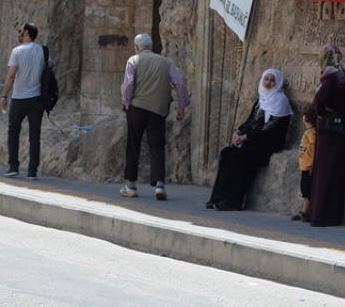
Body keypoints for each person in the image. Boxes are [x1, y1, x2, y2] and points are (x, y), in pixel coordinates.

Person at [206, 68, 293, 211]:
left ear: (278, 83)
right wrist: (239, 131)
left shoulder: (281, 101)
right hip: (255, 141)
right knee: (226, 153)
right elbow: (251, 120)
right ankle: (218, 197)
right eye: (266, 79)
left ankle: (234, 201)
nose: (268, 82)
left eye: (272, 80)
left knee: (238, 157)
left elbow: (268, 127)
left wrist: (246, 137)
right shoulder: (261, 100)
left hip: (269, 143)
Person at [120, 33, 189, 200]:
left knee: (133, 145)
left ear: (137, 48)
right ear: (151, 47)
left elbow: (128, 84)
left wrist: (126, 102)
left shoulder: (133, 60)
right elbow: (179, 83)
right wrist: (181, 106)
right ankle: (159, 185)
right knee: (157, 146)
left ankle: (131, 185)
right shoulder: (166, 62)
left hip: (137, 108)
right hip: (158, 110)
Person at [308, 44, 345, 227]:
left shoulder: (330, 77)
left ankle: (319, 214)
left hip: (330, 130)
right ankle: (330, 215)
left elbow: (318, 100)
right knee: (336, 171)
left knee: (325, 170)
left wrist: (321, 113)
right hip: (341, 128)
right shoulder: (341, 76)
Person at [0, 23, 47, 179]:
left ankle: (13, 166)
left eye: (20, 31)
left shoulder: (17, 51)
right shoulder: (44, 51)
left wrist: (4, 95)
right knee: (35, 135)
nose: (18, 33)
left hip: (19, 98)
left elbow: (11, 75)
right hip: (37, 98)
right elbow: (49, 69)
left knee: (13, 131)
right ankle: (32, 171)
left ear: (26, 32)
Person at [291, 105, 317, 221]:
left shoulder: (311, 133)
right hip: (304, 165)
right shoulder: (308, 132)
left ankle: (305, 212)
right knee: (304, 189)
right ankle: (305, 211)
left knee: (307, 191)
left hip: (308, 166)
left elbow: (313, 148)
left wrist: (312, 163)